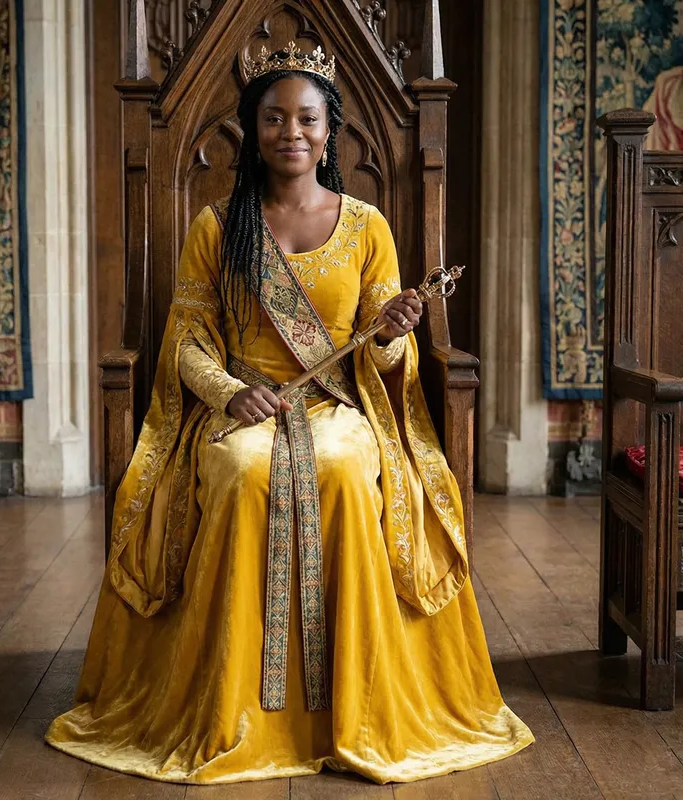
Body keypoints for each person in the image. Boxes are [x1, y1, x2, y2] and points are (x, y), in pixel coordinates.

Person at [46, 42, 533, 785]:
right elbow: (186, 343)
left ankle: (352, 712)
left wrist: (396, 334)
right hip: (242, 405)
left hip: (338, 408)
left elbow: (380, 361)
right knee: (242, 470)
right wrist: (227, 393)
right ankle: (234, 708)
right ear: (253, 128)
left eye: (307, 118)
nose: (292, 132)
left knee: (340, 469)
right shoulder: (218, 227)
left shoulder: (368, 225)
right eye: (275, 118)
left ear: (330, 129)